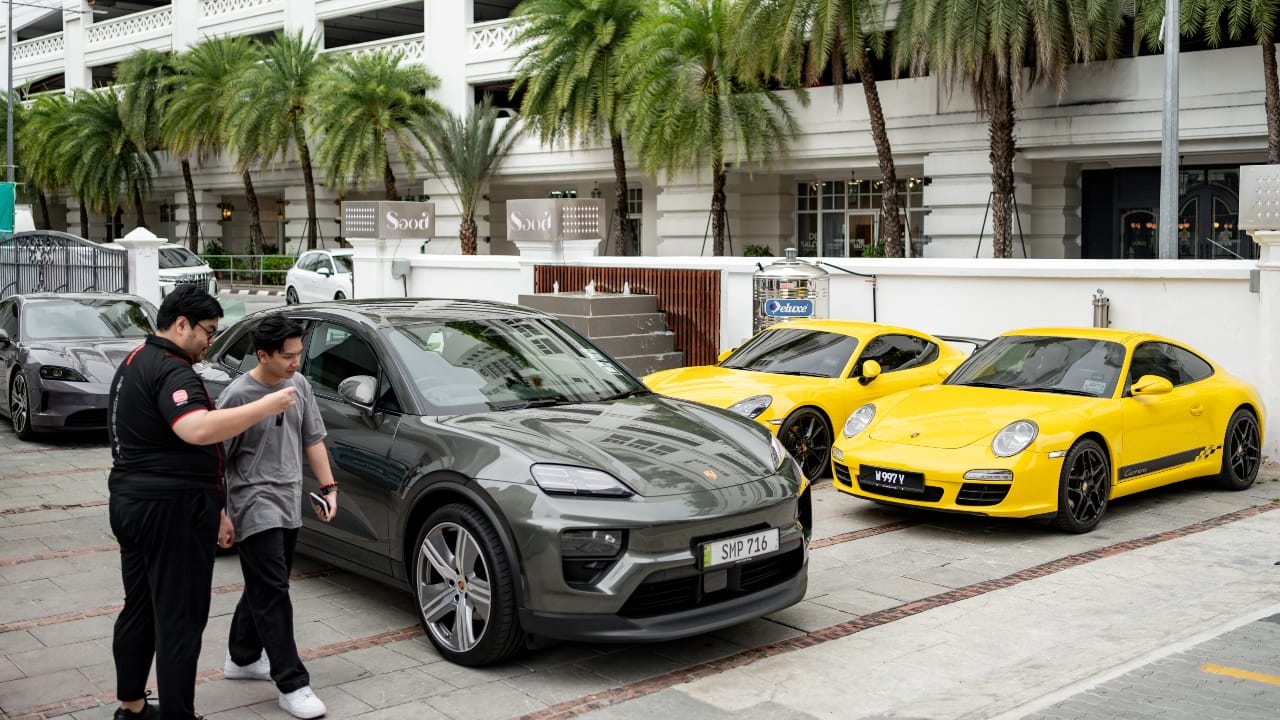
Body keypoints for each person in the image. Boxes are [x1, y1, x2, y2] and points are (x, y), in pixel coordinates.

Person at [108, 284, 297, 720]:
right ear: (180, 325)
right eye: (207, 332)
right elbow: (197, 429)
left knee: (138, 608)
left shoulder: (134, 361)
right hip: (171, 510)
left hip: (130, 502)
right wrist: (265, 406)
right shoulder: (173, 370)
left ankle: (132, 707)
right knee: (180, 619)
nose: (210, 341)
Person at [218, 315, 337, 719]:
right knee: (273, 592)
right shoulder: (237, 396)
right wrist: (223, 514)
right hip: (254, 503)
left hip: (289, 500)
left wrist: (328, 486)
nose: (296, 363)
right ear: (262, 354)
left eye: (299, 354)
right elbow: (216, 461)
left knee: (268, 584)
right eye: (287, 357)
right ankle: (293, 683)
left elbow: (313, 438)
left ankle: (242, 657)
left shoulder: (299, 384)